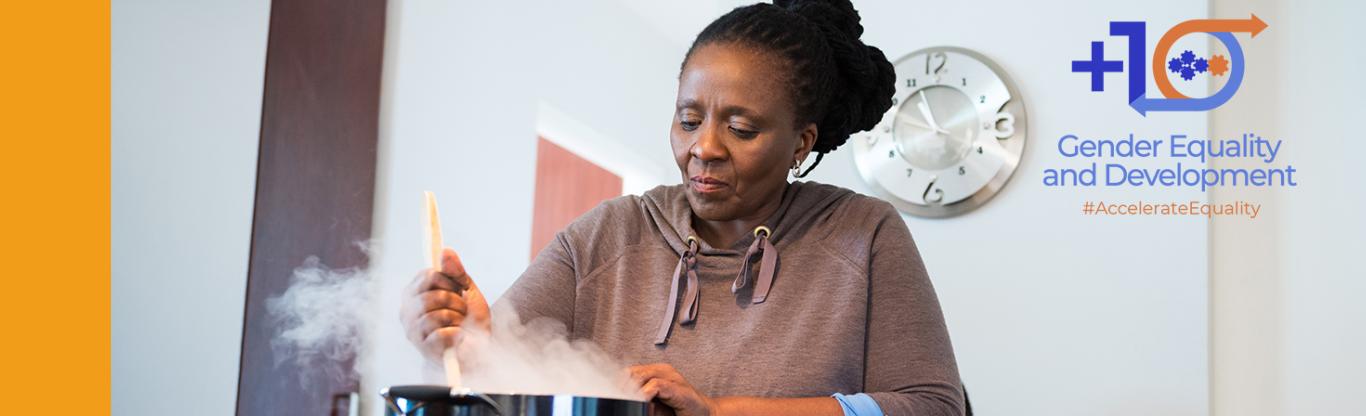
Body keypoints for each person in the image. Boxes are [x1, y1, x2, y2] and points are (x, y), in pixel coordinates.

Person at [399, 1, 964, 414]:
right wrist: (464, 336)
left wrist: (719, 412)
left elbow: (932, 406)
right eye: (688, 120)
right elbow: (499, 381)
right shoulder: (604, 236)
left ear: (800, 142)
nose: (704, 148)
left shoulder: (863, 235)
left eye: (740, 128)